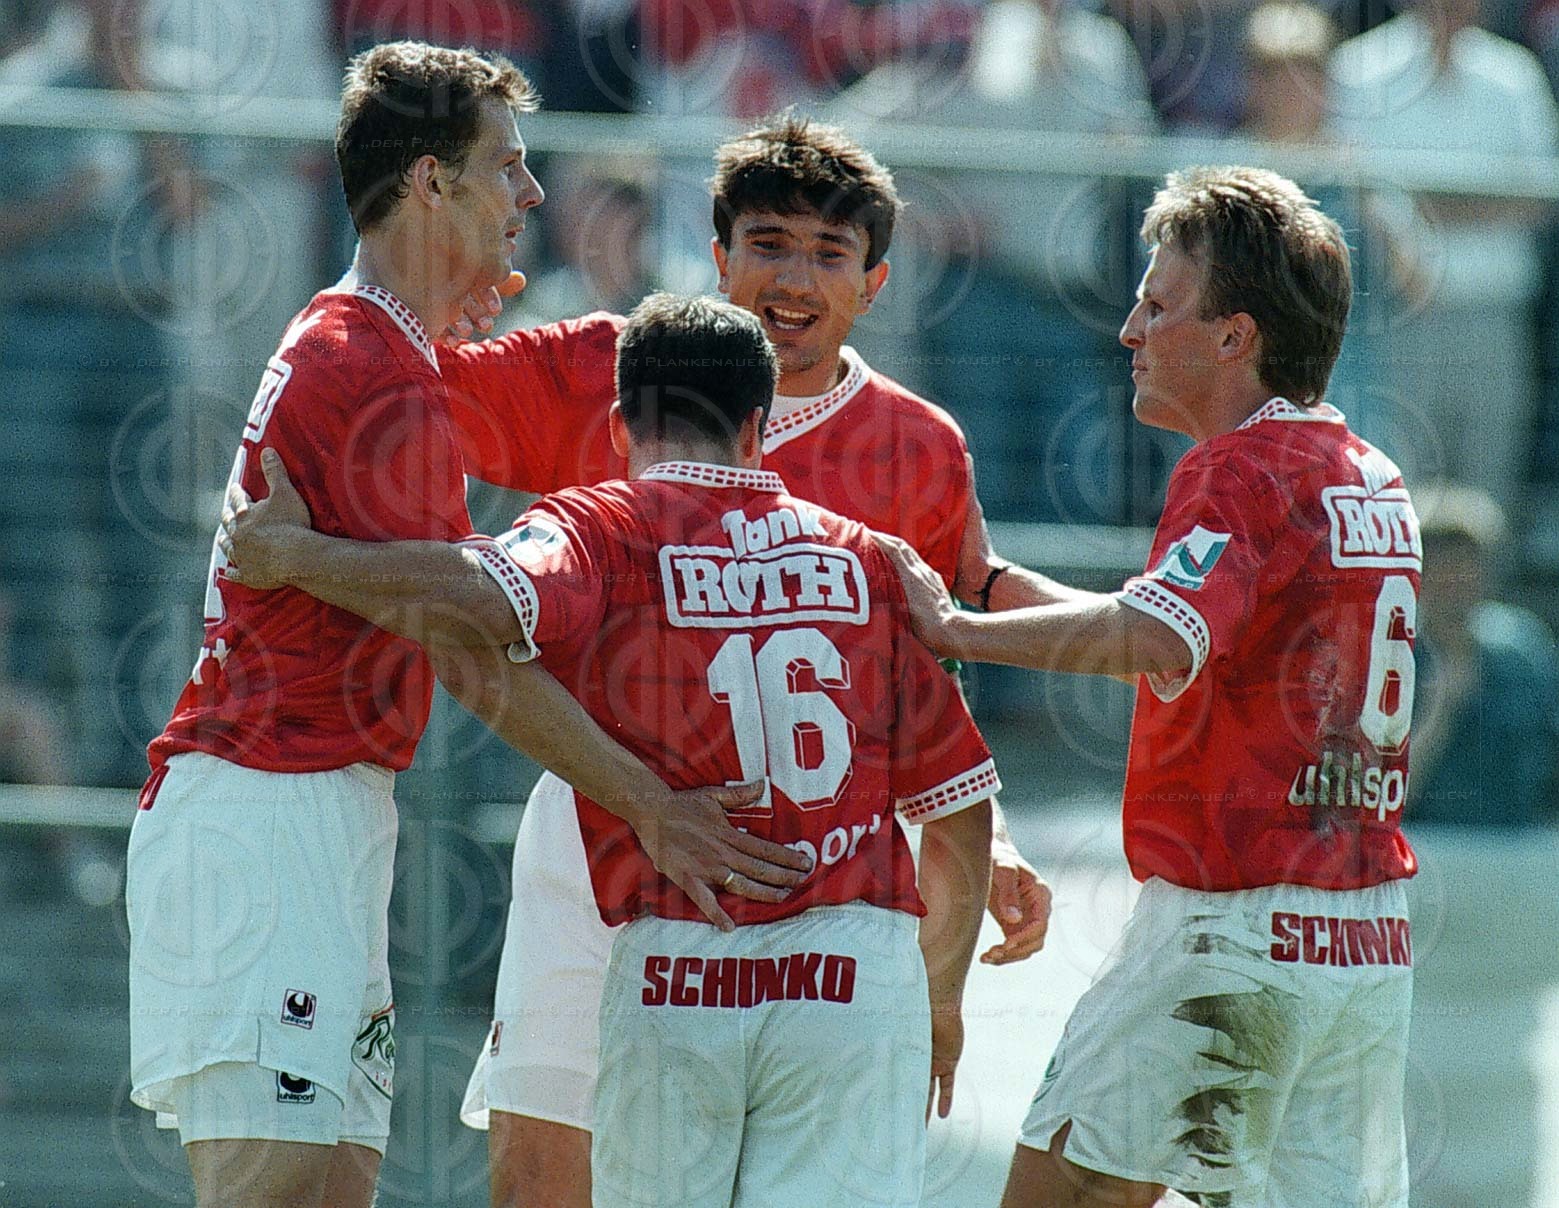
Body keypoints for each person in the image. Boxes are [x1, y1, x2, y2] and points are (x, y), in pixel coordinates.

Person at [124, 42, 804, 1208]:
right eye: (507, 165)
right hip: (265, 814)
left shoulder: (393, 350)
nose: (530, 191)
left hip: (325, 812)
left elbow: (450, 598)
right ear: (431, 181)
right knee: (275, 1191)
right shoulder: (364, 361)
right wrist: (650, 803)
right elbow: (469, 638)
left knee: (329, 1188)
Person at [219, 291, 999, 1206]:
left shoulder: (601, 524)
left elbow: (475, 595)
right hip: (852, 977)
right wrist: (939, 997)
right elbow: (959, 806)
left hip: (677, 965)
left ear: (620, 428)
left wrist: (299, 557)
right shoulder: (869, 560)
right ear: (758, 430)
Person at [435, 115, 1064, 1206]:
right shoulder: (619, 360)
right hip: (601, 831)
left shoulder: (919, 446)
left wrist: (986, 835)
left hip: (816, 880)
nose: (794, 278)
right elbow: (401, 403)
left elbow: (928, 677)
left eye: (828, 252)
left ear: (871, 281)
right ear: (719, 255)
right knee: (542, 1169)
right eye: (769, 244)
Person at [877, 167, 1420, 1208]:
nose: (1129, 330)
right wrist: (990, 584)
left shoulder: (1236, 469)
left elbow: (1151, 633)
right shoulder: (1367, 473)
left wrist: (956, 628)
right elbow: (1180, 630)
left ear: (1234, 336)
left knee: (1062, 1195)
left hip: (1231, 925)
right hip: (1363, 941)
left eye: (1158, 305)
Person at [1409, 482, 1559, 826]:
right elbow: (1390, 793)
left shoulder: (1523, 650)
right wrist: (1441, 711)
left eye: (1467, 565)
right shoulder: (1397, 656)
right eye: (1443, 567)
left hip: (1517, 845)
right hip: (1429, 843)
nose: (1457, 582)